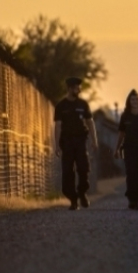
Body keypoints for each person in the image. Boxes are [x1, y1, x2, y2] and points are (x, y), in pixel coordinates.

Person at [54, 77, 98, 210]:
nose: (79, 89)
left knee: (83, 168)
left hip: (80, 140)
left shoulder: (83, 104)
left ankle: (82, 193)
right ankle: (73, 199)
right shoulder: (61, 106)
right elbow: (58, 126)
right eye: (76, 87)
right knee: (67, 171)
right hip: (66, 141)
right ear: (69, 89)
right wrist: (57, 145)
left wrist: (94, 140)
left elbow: (90, 122)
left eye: (79, 87)